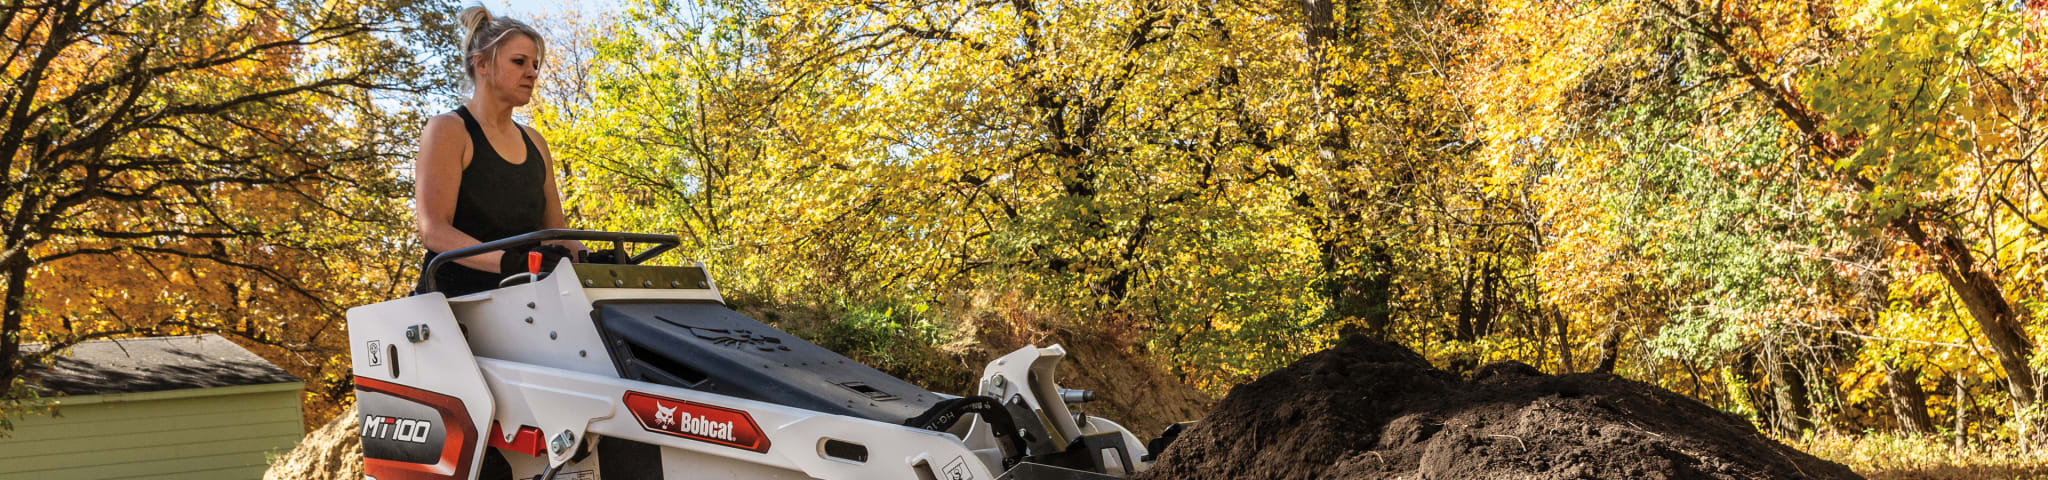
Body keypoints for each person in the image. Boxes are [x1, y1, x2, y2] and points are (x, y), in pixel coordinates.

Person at [412, 5, 584, 296]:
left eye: (535, 65)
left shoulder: (535, 142)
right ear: (482, 65)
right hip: (452, 306)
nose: (532, 73)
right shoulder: (449, 130)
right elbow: (434, 231)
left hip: (526, 303)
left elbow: (557, 231)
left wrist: (601, 262)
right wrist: (510, 262)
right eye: (519, 62)